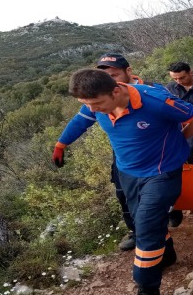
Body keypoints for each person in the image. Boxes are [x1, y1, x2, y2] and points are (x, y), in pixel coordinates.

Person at [67, 68, 193, 295]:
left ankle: (147, 289)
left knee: (144, 227)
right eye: (87, 105)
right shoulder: (96, 104)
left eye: (97, 104)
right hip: (128, 172)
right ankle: (167, 253)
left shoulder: (155, 101)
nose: (94, 109)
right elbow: (83, 118)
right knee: (141, 220)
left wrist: (179, 143)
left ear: (116, 90)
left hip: (161, 172)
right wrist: (61, 144)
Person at [52, 53, 179, 254]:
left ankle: (162, 227)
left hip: (157, 158)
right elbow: (81, 120)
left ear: (128, 71)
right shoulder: (98, 97)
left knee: (153, 203)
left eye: (114, 75)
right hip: (124, 157)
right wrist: (61, 144)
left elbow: (180, 119)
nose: (110, 82)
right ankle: (140, 234)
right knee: (126, 197)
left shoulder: (153, 91)